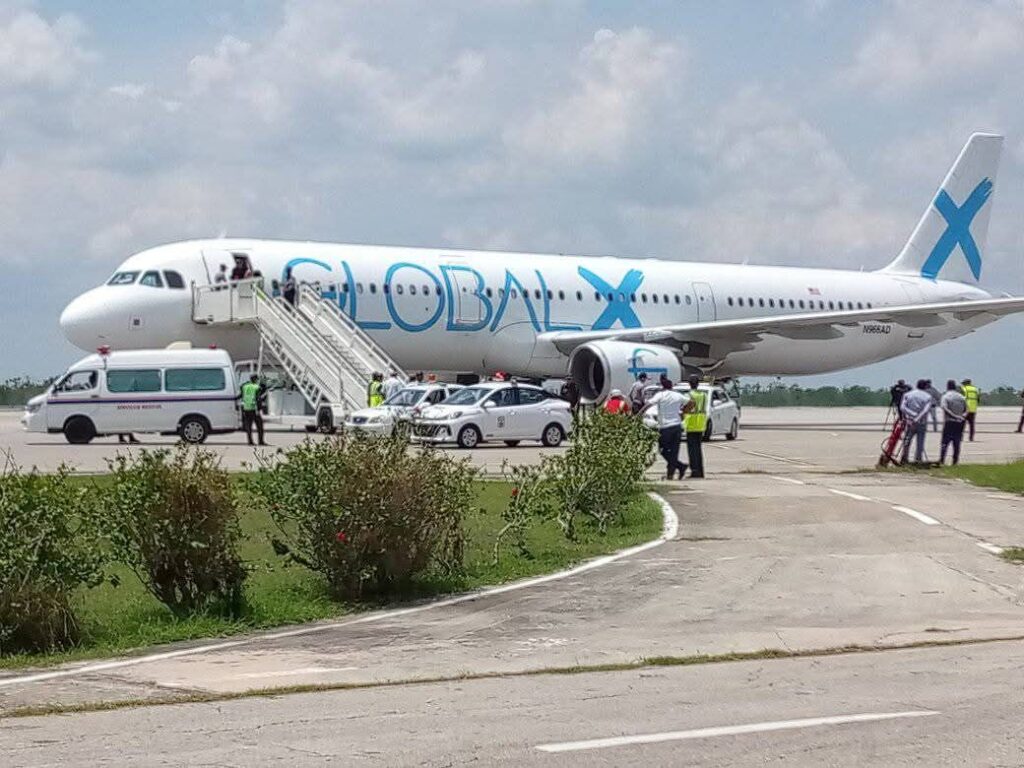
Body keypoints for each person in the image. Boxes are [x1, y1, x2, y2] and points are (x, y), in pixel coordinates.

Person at [641, 377, 688, 480]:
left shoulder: (660, 395)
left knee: (663, 450)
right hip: (676, 426)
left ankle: (675, 470)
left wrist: (639, 414)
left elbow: (648, 404)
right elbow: (691, 402)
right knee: (674, 451)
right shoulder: (677, 395)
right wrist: (683, 412)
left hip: (665, 427)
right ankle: (676, 469)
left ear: (663, 387)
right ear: (671, 386)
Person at [900, 379, 933, 464]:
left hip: (910, 421)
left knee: (907, 440)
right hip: (921, 422)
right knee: (920, 442)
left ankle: (904, 458)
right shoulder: (927, 396)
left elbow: (902, 407)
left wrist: (912, 415)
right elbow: (925, 410)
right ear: (925, 386)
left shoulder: (907, 394)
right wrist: (917, 418)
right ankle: (918, 459)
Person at [683, 375, 707, 479]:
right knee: (698, 449)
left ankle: (695, 471)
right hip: (701, 423)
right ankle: (700, 470)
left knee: (692, 450)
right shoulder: (703, 395)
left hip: (692, 424)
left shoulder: (689, 395)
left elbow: (687, 408)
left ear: (690, 384)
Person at [939, 379, 968, 465]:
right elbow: (967, 409)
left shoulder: (946, 397)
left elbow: (945, 408)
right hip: (960, 422)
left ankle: (942, 460)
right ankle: (955, 461)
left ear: (947, 387)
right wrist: (962, 416)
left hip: (950, 422)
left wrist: (954, 416)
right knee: (957, 442)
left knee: (945, 442)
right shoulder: (961, 397)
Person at [240, 374, 267, 446]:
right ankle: (261, 441)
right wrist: (260, 408)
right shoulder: (257, 387)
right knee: (260, 426)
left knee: (249, 426)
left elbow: (241, 395)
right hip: (254, 408)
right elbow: (258, 398)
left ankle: (250, 441)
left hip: (246, 408)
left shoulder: (244, 386)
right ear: (255, 379)